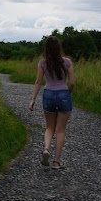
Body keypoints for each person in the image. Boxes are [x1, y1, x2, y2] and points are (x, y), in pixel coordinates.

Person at [29, 35, 75, 169]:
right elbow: (72, 82)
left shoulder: (42, 63)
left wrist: (32, 100)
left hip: (48, 94)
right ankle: (56, 162)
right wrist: (67, 92)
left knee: (49, 127)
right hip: (63, 94)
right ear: (59, 47)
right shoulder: (67, 62)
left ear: (46, 48)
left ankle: (46, 149)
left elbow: (38, 82)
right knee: (60, 130)